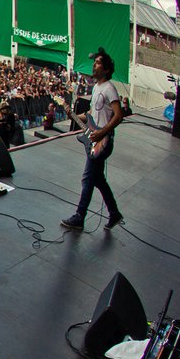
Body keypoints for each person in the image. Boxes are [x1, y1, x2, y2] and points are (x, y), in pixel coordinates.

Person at [58, 49, 124, 231]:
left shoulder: (110, 89)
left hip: (103, 141)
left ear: (107, 69)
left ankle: (80, 216)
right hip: (95, 138)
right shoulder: (96, 88)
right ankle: (114, 213)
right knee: (98, 180)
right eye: (94, 62)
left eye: (98, 62)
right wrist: (72, 114)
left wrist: (103, 133)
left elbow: (118, 116)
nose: (94, 65)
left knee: (88, 178)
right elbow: (90, 116)